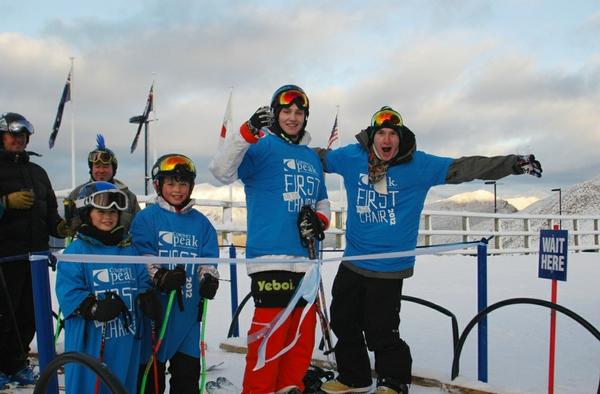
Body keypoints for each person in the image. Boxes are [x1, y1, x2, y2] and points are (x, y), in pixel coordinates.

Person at [317, 106, 543, 394]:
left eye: (393, 134)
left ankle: (393, 381)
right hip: (354, 260)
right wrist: (272, 144)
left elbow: (466, 167)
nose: (387, 140)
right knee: (343, 319)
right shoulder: (351, 157)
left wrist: (512, 164)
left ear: (401, 138)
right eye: (382, 133)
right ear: (372, 136)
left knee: (381, 328)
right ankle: (354, 377)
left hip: (389, 266)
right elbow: (317, 157)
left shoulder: (419, 165)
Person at [209, 84, 331, 394]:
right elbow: (221, 170)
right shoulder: (261, 145)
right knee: (269, 338)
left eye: (299, 112)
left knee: (301, 337)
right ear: (275, 114)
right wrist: (248, 131)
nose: (293, 118)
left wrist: (318, 222)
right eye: (286, 111)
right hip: (270, 259)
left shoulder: (311, 157)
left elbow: (322, 200)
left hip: (307, 261)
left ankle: (290, 388)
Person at [56, 181, 159, 394]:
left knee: (122, 386)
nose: (108, 216)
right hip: (91, 344)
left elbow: (141, 280)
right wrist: (92, 307)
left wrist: (146, 297)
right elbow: (69, 291)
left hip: (125, 342)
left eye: (113, 211)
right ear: (87, 212)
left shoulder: (128, 250)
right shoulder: (77, 252)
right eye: (101, 211)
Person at [130, 153, 220, 394]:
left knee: (187, 379)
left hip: (188, 315)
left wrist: (208, 278)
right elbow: (140, 253)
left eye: (183, 184)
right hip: (155, 315)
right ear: (158, 185)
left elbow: (208, 258)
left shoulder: (201, 223)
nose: (177, 190)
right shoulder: (146, 218)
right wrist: (158, 276)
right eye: (170, 183)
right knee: (150, 380)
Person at [0, 112, 69, 388]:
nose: (18, 140)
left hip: (35, 259)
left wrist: (61, 227)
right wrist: (5, 203)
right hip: (4, 258)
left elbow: (50, 212)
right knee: (3, 314)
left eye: (22, 136)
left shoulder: (38, 173)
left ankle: (16, 364)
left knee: (29, 314)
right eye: (12, 135)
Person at [66, 134, 140, 232]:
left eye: (105, 166)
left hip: (119, 246)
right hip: (87, 246)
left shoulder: (128, 196)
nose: (101, 170)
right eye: (97, 166)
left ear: (113, 169)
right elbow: (69, 227)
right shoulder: (77, 194)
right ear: (91, 169)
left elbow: (140, 226)